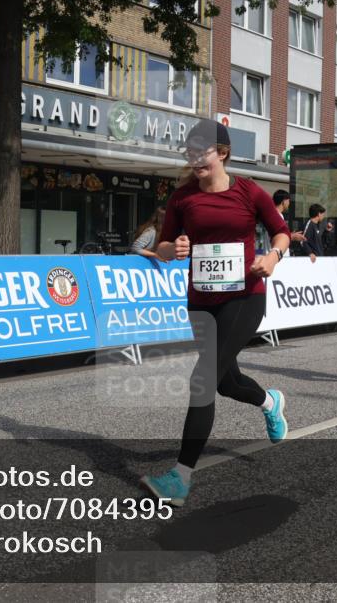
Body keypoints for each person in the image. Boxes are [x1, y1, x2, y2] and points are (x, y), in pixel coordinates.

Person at [140, 119, 291, 508]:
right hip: (200, 300)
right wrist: (172, 250)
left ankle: (180, 477)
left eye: (201, 152)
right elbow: (163, 246)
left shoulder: (249, 192)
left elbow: (281, 232)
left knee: (203, 379)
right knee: (225, 383)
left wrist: (272, 257)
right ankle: (270, 402)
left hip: (244, 297)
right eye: (189, 153)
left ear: (222, 152)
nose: (194, 160)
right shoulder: (182, 198)